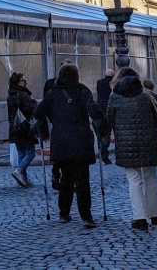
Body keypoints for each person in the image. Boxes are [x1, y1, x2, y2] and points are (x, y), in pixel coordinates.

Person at [36, 64, 104, 228]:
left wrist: (49, 122)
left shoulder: (53, 93)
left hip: (61, 139)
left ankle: (64, 213)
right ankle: (86, 217)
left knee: (65, 178)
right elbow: (94, 111)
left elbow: (38, 113)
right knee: (82, 180)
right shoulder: (82, 91)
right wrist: (99, 126)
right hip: (80, 139)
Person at [108, 71, 157, 231]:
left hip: (126, 144)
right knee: (151, 177)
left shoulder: (114, 98)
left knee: (134, 180)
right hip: (149, 142)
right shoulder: (147, 95)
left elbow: (109, 120)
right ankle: (155, 214)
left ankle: (139, 217)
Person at [7, 72, 39, 188]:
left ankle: (23, 178)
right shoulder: (23, 94)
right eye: (23, 80)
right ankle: (19, 170)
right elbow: (30, 109)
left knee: (21, 152)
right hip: (25, 127)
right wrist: (34, 102)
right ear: (18, 82)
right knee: (31, 152)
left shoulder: (10, 96)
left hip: (14, 128)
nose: (25, 82)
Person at [94, 69, 115, 164]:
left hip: (100, 108)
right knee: (107, 133)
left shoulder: (99, 82)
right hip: (109, 109)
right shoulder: (112, 83)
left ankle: (101, 151)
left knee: (101, 132)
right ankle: (104, 154)